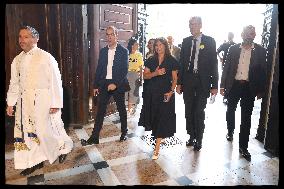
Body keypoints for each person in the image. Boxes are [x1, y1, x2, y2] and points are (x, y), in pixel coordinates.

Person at [6, 25, 73, 176]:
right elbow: (14, 83)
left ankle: (63, 148)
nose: (21, 40)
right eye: (20, 37)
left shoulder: (46, 57)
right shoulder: (17, 60)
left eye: (26, 37)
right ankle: (34, 161)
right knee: (28, 132)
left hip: (44, 100)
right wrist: (11, 103)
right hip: (25, 103)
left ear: (35, 39)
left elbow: (55, 81)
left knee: (46, 130)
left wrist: (56, 103)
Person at [220, 25, 267, 161]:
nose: (250, 36)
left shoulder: (260, 51)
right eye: (248, 33)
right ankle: (230, 130)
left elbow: (262, 72)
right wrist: (222, 86)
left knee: (246, 118)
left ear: (254, 36)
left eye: (252, 34)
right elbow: (226, 68)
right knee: (230, 109)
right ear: (242, 35)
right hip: (234, 85)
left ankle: (243, 147)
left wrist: (261, 90)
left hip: (249, 87)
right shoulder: (233, 49)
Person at [81, 26, 129, 146]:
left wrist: (115, 84)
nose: (109, 37)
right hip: (104, 84)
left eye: (111, 34)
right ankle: (94, 137)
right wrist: (95, 85)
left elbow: (124, 70)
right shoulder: (103, 51)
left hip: (117, 83)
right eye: (107, 35)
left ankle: (124, 132)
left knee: (121, 109)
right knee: (100, 111)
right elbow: (99, 69)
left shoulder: (123, 51)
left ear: (116, 35)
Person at [176, 16, 218, 151]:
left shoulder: (210, 41)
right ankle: (191, 136)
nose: (191, 27)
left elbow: (214, 64)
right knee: (188, 111)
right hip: (188, 80)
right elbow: (181, 64)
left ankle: (199, 139)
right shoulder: (186, 41)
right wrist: (179, 82)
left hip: (203, 82)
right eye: (190, 24)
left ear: (200, 25)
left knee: (199, 111)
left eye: (194, 24)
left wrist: (214, 85)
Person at [138, 37, 179, 160]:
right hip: (152, 94)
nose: (158, 47)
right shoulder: (151, 60)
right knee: (154, 118)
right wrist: (155, 73)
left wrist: (171, 92)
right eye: (156, 45)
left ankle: (157, 148)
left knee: (161, 119)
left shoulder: (172, 60)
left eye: (160, 45)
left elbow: (175, 79)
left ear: (165, 46)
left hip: (165, 94)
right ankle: (158, 139)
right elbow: (145, 76)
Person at [126, 37, 144, 115]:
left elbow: (141, 67)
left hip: (135, 74)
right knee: (126, 91)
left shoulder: (139, 55)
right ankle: (128, 107)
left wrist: (141, 78)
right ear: (132, 45)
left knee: (133, 91)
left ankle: (130, 108)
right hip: (126, 74)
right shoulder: (127, 53)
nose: (138, 45)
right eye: (136, 44)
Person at [217, 32, 236, 104]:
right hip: (225, 64)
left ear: (232, 36)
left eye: (231, 36)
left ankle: (228, 95)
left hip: (233, 65)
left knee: (231, 79)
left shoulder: (235, 44)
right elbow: (217, 51)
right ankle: (225, 96)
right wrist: (220, 58)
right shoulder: (224, 45)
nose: (230, 37)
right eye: (229, 36)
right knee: (225, 79)